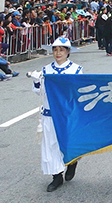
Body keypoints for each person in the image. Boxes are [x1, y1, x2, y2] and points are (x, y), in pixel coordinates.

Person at [28, 37, 82, 192]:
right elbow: (40, 92)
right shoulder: (46, 70)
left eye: (62, 50)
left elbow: (77, 92)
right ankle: (56, 176)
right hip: (49, 114)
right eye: (55, 50)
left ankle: (72, 162)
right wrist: (37, 81)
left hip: (67, 114)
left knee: (68, 142)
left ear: (68, 52)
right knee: (50, 145)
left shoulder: (76, 70)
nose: (58, 53)